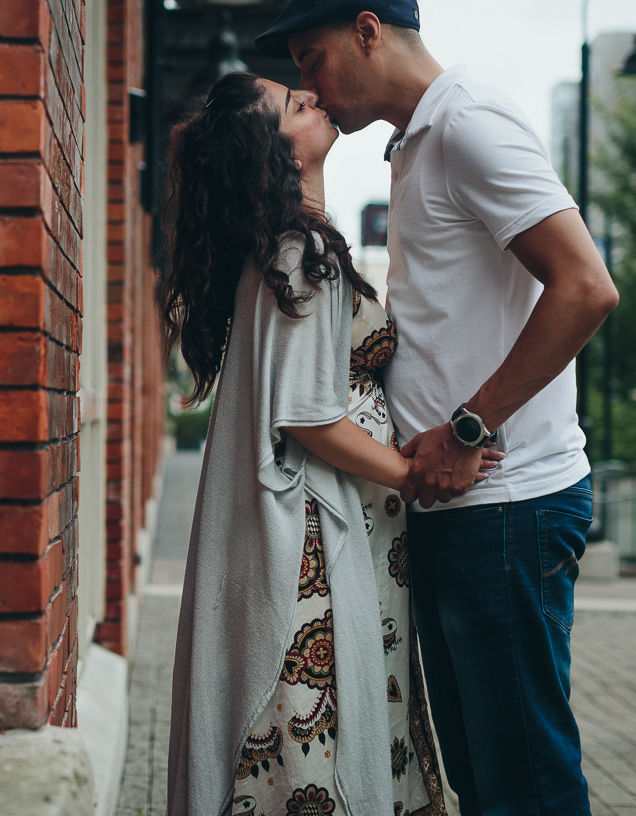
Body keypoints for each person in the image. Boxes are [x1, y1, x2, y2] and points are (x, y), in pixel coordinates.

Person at [254, 2, 620, 815]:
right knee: (485, 780)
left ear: (367, 28)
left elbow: (587, 287)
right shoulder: (415, 140)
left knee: (525, 781)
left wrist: (467, 428)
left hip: (506, 504)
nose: (307, 84)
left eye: (311, 59)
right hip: (457, 510)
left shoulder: (468, 123)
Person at [162, 70, 497, 816]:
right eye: (292, 102)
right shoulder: (297, 252)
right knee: (317, 737)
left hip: (341, 529)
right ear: (267, 149)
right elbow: (308, 416)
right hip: (321, 545)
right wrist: (416, 473)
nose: (311, 95)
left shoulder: (291, 246)